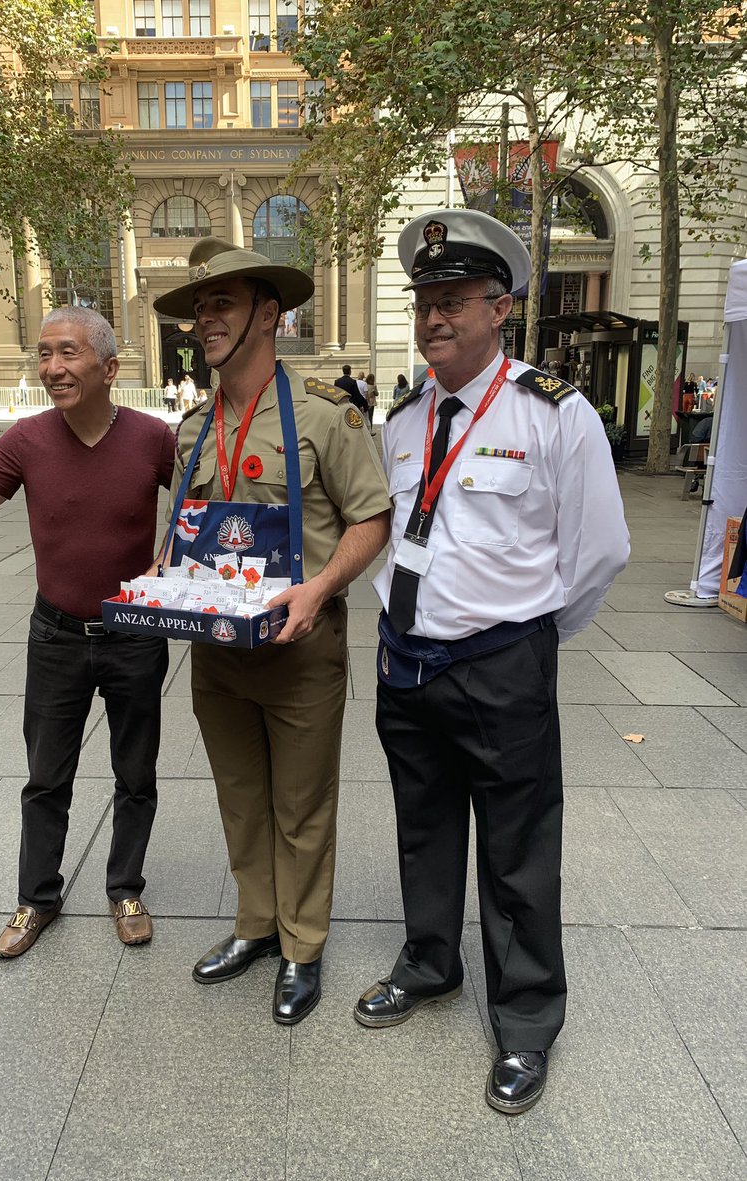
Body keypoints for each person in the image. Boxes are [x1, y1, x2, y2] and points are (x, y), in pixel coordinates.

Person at [354, 209, 629, 1114]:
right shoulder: (402, 418)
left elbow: (597, 553)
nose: (434, 317)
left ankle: (525, 1021)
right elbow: (390, 535)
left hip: (501, 665)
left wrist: (527, 637)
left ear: (502, 308)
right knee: (423, 827)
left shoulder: (555, 412)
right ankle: (431, 962)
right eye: (424, 301)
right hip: (409, 663)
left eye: (455, 300)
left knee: (517, 853)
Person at [154, 237, 391, 1024]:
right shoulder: (193, 427)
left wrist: (320, 588)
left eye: (222, 303)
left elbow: (372, 518)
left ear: (269, 314)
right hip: (216, 654)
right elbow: (186, 533)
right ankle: (255, 925)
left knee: (302, 804)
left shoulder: (329, 415)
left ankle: (301, 946)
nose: (204, 320)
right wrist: (162, 579)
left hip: (299, 651)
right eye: (199, 308)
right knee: (240, 798)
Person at [0, 307, 175, 958]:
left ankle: (126, 889)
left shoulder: (151, 437)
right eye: (43, 354)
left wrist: (172, 553)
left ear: (110, 367)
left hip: (135, 635)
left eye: (68, 354)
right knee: (45, 777)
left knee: (135, 772)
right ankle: (36, 899)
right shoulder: (25, 440)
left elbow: (204, 509)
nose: (52, 368)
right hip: (56, 635)